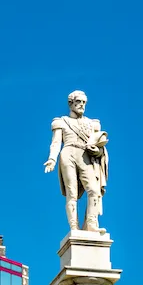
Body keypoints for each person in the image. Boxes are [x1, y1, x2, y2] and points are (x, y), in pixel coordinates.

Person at [44, 90, 109, 233]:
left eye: (84, 102)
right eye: (78, 102)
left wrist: (97, 151)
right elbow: (55, 143)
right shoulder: (61, 122)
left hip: (86, 155)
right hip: (68, 153)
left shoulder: (92, 124)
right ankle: (74, 226)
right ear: (70, 103)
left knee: (93, 189)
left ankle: (91, 224)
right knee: (71, 193)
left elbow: (98, 144)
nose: (81, 105)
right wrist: (51, 159)